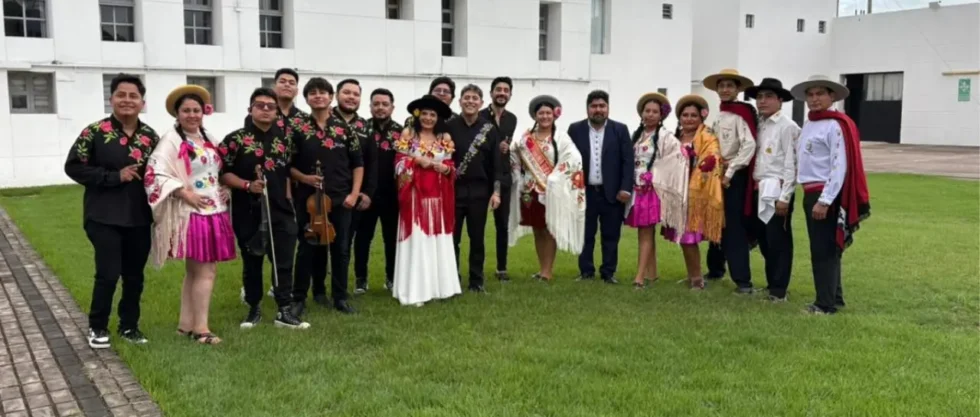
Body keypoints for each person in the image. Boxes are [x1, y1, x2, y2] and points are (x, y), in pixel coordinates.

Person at [64, 73, 160, 349]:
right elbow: (73, 167)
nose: (127, 100)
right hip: (103, 216)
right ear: (111, 99)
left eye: (133, 96)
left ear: (142, 102)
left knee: (134, 276)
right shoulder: (95, 132)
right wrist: (113, 177)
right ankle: (97, 326)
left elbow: (161, 170)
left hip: (139, 217)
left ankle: (129, 326)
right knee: (107, 273)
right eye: (121, 95)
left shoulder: (150, 136)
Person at [144, 85, 235, 344]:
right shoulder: (170, 141)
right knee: (206, 272)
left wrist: (225, 187)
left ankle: (185, 325)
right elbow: (153, 173)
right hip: (194, 213)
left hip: (214, 210)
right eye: (186, 110)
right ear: (177, 113)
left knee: (195, 272)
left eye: (196, 110)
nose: (192, 115)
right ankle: (201, 329)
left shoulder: (207, 138)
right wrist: (184, 193)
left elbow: (217, 170)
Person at [218, 87, 309, 329]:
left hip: (281, 208)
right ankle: (253, 308)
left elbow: (287, 171)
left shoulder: (285, 140)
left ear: (277, 112)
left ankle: (284, 309)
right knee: (252, 260)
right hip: (248, 210)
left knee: (284, 260)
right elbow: (223, 173)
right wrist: (247, 185)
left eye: (271, 106)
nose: (266, 110)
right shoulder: (235, 139)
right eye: (260, 105)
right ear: (250, 110)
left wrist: (288, 198)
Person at [790, 75, 870, 315]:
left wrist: (825, 200)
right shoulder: (810, 123)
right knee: (825, 248)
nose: (814, 99)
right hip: (810, 192)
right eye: (810, 94)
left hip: (823, 193)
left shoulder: (835, 125)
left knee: (823, 250)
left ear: (831, 96)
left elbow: (839, 165)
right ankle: (834, 296)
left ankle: (824, 304)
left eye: (820, 94)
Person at [289, 77, 363, 315]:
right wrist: (304, 178)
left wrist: (354, 194)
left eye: (323, 92)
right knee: (307, 248)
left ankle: (340, 297)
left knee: (341, 249)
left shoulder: (345, 129)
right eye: (313, 93)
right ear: (306, 98)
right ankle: (299, 298)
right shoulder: (296, 128)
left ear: (331, 97)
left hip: (341, 198)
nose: (318, 96)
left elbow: (358, 164)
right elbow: (287, 165)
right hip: (308, 200)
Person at [242, 68, 309, 302]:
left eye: (292, 82)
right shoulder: (259, 114)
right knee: (258, 239)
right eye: (283, 81)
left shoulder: (303, 119)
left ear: (297, 89)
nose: (287, 85)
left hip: (292, 188)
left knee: (287, 241)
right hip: (261, 188)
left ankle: (281, 289)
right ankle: (252, 291)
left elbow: (297, 157)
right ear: (275, 85)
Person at [391, 95, 462, 306]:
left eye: (432, 114)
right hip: (415, 196)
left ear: (438, 118)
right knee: (418, 240)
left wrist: (446, 168)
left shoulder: (444, 137)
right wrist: (415, 160)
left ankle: (440, 289)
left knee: (437, 241)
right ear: (417, 115)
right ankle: (415, 291)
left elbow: (452, 166)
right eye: (424, 114)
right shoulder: (408, 134)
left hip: (438, 197)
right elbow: (398, 163)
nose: (428, 118)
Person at [508, 95, 586, 281]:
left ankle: (547, 271)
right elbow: (515, 155)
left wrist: (554, 178)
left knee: (549, 229)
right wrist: (517, 173)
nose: (544, 116)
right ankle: (541, 268)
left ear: (554, 115)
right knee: (537, 229)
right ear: (535, 116)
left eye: (548, 113)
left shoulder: (561, 138)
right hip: (529, 191)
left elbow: (573, 159)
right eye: (541, 113)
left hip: (551, 191)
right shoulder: (526, 137)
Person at [652, 94, 724, 290]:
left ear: (701, 117)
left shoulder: (707, 138)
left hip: (695, 193)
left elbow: (712, 159)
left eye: (693, 115)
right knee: (683, 237)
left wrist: (696, 166)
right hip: (677, 194)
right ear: (679, 117)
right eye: (685, 115)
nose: (689, 119)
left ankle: (697, 280)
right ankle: (693, 275)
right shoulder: (674, 137)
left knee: (688, 238)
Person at [701, 69, 758, 293]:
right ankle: (716, 268)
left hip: (733, 176)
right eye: (721, 86)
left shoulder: (741, 114)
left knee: (733, 227)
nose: (725, 89)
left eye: (729, 86)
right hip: (717, 173)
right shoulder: (720, 114)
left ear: (737, 89)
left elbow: (749, 145)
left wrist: (730, 171)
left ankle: (742, 280)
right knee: (716, 220)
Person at [568, 90, 634, 284]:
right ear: (587, 108)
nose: (598, 110)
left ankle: (608, 272)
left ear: (608, 108)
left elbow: (627, 161)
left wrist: (625, 188)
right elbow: (568, 160)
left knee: (611, 235)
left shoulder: (620, 130)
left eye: (602, 106)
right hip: (584, 192)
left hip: (612, 193)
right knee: (585, 234)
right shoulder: (575, 129)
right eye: (594, 106)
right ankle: (586, 271)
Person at [744, 78, 800, 302]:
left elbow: (791, 164)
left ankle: (779, 289)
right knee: (764, 239)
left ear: (780, 100)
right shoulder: (759, 124)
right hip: (759, 188)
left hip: (777, 188)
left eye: (768, 97)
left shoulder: (787, 126)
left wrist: (785, 197)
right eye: (759, 97)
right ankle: (771, 283)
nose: (762, 101)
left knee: (779, 240)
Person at [447, 84, 505, 293]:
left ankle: (476, 281)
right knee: (451, 238)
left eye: (474, 98)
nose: (470, 101)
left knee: (477, 238)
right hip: (453, 190)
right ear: (459, 101)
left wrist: (496, 192)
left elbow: (497, 164)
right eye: (467, 97)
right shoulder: (449, 126)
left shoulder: (489, 129)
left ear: (481, 103)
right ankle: (451, 280)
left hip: (480, 192)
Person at [352, 88, 403, 292]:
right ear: (370, 106)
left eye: (385, 104)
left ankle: (392, 278)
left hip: (392, 195)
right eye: (376, 104)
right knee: (363, 238)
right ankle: (361, 279)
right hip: (366, 195)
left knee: (392, 239)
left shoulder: (401, 133)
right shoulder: (361, 130)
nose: (380, 108)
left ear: (392, 107)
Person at [626, 92, 672, 289]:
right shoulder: (637, 135)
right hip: (636, 189)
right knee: (645, 232)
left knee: (645, 232)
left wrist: (656, 176)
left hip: (652, 191)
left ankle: (639, 276)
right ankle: (652, 273)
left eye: (655, 112)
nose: (650, 115)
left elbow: (674, 161)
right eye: (647, 111)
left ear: (661, 115)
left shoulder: (665, 137)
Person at [480, 76, 518, 282]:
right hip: (481, 175)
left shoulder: (512, 118)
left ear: (510, 95)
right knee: (477, 226)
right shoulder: (479, 115)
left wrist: (505, 147)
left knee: (502, 225)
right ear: (491, 93)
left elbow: (507, 143)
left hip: (503, 175)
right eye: (498, 89)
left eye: (506, 90)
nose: (502, 93)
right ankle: (476, 269)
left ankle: (501, 268)